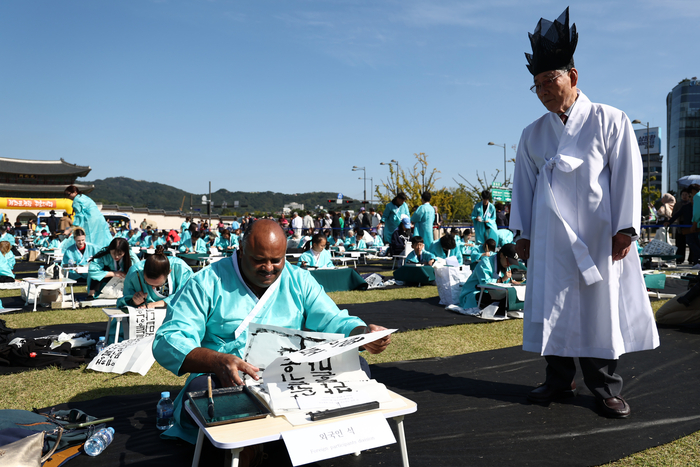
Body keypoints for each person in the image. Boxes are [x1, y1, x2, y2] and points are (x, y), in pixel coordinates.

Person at [510, 8, 659, 418]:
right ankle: (558, 380)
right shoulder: (533, 133)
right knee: (551, 304)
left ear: (572, 77)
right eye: (537, 84)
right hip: (550, 237)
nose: (543, 90)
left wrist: (626, 228)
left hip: (598, 235)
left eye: (550, 80)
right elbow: (523, 185)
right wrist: (521, 233)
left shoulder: (610, 120)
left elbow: (629, 173)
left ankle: (605, 386)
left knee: (599, 307)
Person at [152, 219, 391, 446]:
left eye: (277, 260)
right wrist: (216, 360)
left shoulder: (298, 279)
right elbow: (169, 339)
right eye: (259, 260)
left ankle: (291, 435)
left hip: (288, 374)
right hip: (230, 378)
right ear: (241, 251)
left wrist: (362, 334)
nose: (268, 268)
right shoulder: (207, 281)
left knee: (356, 366)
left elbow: (331, 318)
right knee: (200, 394)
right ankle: (253, 443)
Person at [117, 245, 194, 308]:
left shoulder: (181, 269)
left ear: (169, 272)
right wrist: (134, 301)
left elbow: (188, 295)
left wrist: (159, 304)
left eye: (159, 285)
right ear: (143, 272)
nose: (153, 288)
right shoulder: (135, 273)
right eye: (148, 283)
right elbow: (124, 300)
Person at [459, 243, 521, 310]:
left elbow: (507, 280)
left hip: (494, 293)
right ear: (501, 255)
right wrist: (502, 279)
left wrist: (512, 282)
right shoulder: (485, 263)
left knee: (512, 296)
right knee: (489, 298)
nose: (510, 264)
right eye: (509, 261)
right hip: (474, 293)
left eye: (512, 263)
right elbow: (485, 283)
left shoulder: (505, 265)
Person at [665, 187, 697, 264]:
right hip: (682, 226)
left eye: (688, 195)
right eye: (683, 195)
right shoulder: (682, 205)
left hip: (693, 227)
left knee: (693, 245)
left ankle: (692, 260)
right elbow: (676, 215)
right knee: (680, 244)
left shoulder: (695, 205)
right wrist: (669, 222)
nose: (685, 196)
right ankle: (679, 259)